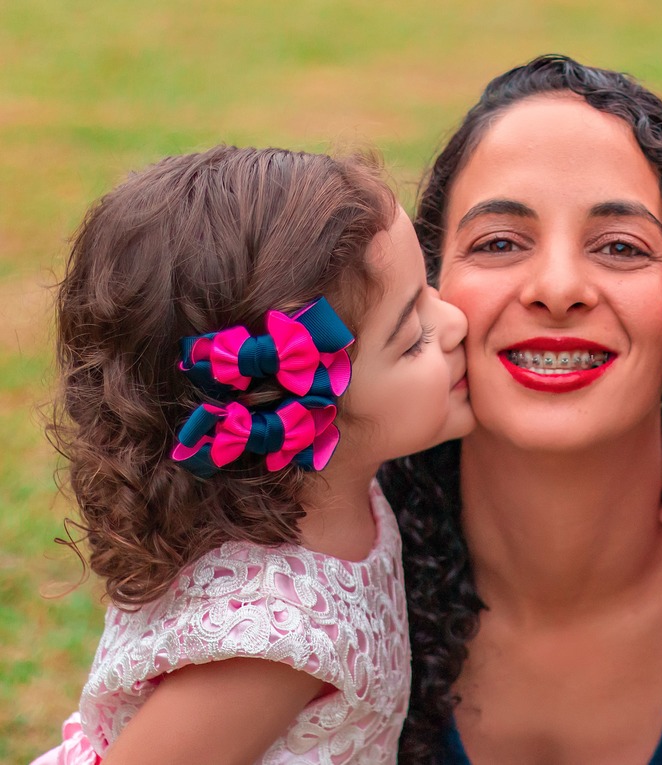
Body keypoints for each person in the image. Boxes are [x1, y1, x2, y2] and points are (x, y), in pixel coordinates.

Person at [380, 55, 662, 764]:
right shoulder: (324, 563)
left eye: (620, 247)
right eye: (499, 242)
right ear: (426, 289)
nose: (558, 289)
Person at [35, 146, 471, 764]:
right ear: (295, 413)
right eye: (413, 339)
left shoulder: (337, 487)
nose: (453, 322)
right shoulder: (274, 643)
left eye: (427, 289)